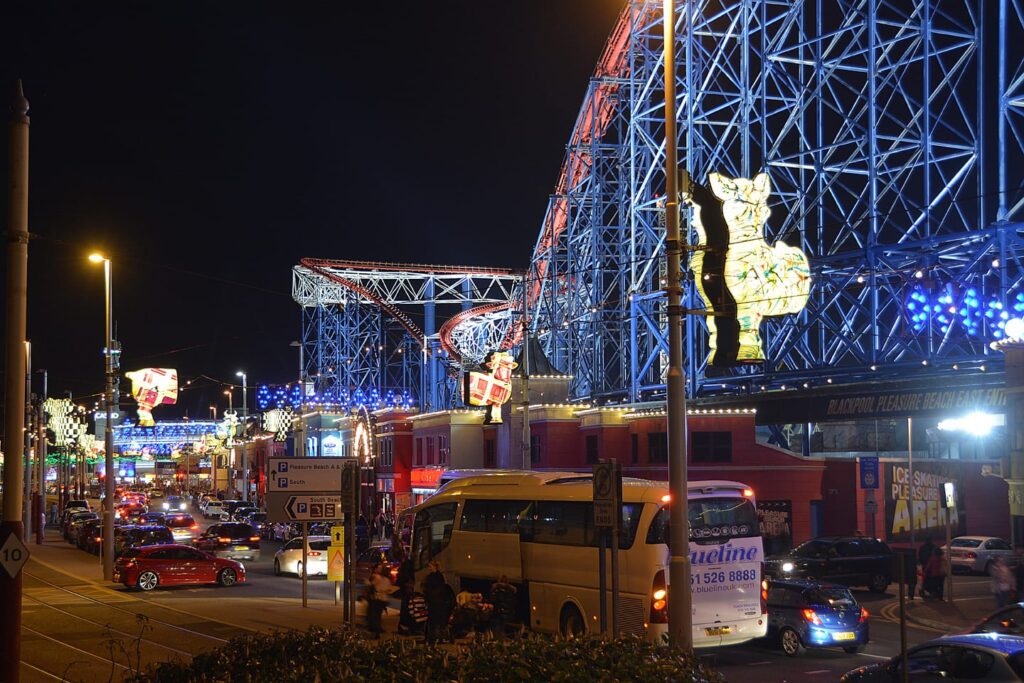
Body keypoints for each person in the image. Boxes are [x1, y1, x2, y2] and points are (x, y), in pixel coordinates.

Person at [423, 561, 455, 645]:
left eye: (430, 566)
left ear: (434, 567)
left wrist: (429, 594)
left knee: (434, 621)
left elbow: (431, 589)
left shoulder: (435, 577)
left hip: (435, 602)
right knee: (437, 621)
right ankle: (437, 637)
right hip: (437, 602)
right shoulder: (438, 577)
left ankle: (434, 638)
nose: (429, 568)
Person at [367, 563, 393, 638]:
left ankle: (376, 631)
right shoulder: (387, 580)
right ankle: (377, 629)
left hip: (377, 599)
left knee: (375, 616)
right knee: (378, 615)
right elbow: (389, 590)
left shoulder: (377, 578)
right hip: (384, 600)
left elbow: (371, 585)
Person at [490, 574, 518, 641]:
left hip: (498, 613)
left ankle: (498, 642)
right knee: (502, 628)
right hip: (506, 614)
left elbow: (493, 600)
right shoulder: (510, 590)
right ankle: (501, 641)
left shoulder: (497, 589)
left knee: (497, 630)